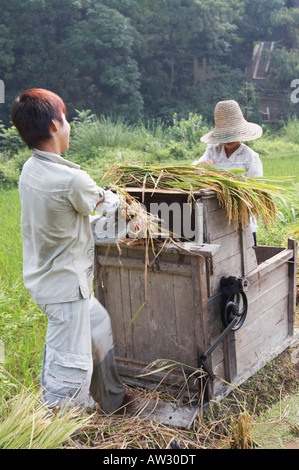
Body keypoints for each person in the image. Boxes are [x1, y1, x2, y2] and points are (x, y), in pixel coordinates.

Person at [11, 88, 130, 414]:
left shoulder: (30, 170)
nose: (69, 125)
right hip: (66, 287)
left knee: (99, 324)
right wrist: (121, 201)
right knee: (69, 364)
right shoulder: (71, 179)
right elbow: (108, 204)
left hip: (48, 280)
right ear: (54, 125)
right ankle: (60, 425)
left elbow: (64, 220)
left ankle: (112, 399)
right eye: (66, 119)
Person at [192, 100, 263, 244]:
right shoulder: (212, 151)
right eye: (225, 134)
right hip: (216, 220)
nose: (229, 139)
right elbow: (192, 169)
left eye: (232, 134)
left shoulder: (250, 157)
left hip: (242, 219)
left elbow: (257, 190)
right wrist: (200, 166)